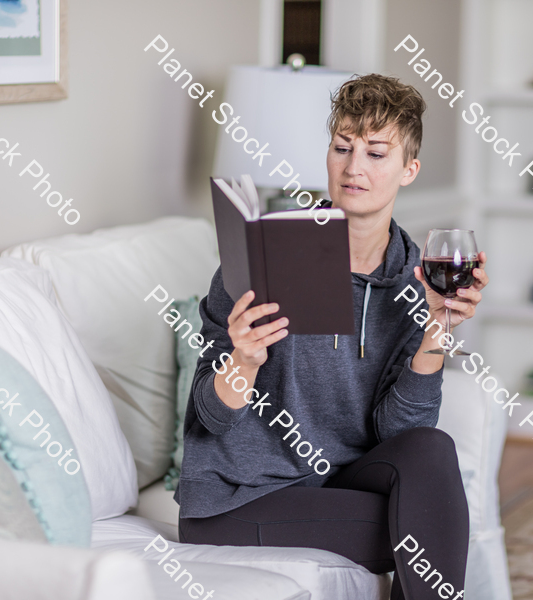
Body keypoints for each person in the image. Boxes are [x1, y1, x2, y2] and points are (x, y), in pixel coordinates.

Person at [176, 73, 488, 600]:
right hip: (237, 499)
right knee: (427, 526)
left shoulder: (416, 274)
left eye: (375, 153)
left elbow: (400, 433)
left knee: (432, 451)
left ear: (409, 169)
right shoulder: (265, 252)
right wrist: (244, 361)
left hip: (336, 486)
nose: (353, 167)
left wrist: (437, 328)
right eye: (342, 147)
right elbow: (211, 415)